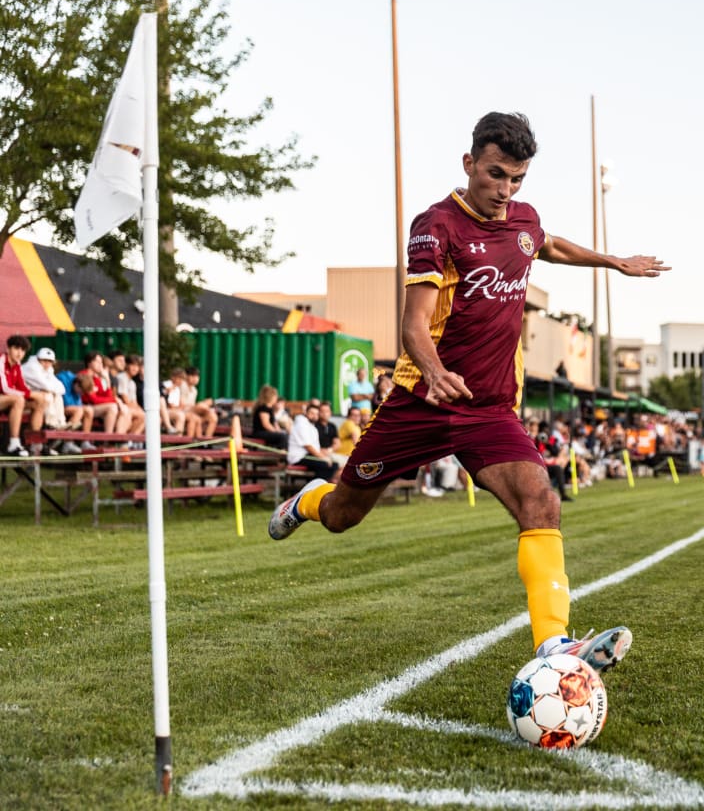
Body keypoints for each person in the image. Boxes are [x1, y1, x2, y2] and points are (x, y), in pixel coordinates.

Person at [268, 111, 668, 671]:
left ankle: (555, 646)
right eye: (496, 175)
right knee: (343, 515)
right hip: (420, 403)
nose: (506, 191)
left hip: (489, 409)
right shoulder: (437, 226)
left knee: (542, 501)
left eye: (517, 179)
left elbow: (546, 245)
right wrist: (432, 371)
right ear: (469, 163)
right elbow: (413, 324)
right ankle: (308, 499)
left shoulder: (523, 218)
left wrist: (613, 262)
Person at [1, 335, 48, 456]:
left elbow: (22, 386)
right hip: (4, 398)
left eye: (22, 350)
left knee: (39, 402)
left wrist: (36, 396)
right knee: (19, 400)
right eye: (16, 348)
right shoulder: (1, 361)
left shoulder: (17, 366)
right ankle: (13, 444)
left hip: (7, 401)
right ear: (9, 349)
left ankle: (35, 444)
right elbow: (4, 388)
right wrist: (31, 393)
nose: (19, 353)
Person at [286, 403, 339, 482]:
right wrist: (323, 457)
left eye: (316, 414)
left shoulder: (311, 426)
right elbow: (308, 446)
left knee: (334, 465)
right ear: (306, 413)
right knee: (325, 465)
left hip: (308, 456)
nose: (314, 416)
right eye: (311, 413)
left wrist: (324, 456)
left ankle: (316, 486)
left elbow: (315, 447)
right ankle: (314, 488)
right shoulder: (301, 424)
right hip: (298, 458)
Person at [251, 384, 288, 450]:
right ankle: (278, 454)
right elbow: (266, 424)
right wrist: (275, 431)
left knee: (285, 435)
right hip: (260, 433)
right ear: (271, 397)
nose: (276, 399)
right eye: (275, 396)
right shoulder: (263, 408)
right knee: (282, 437)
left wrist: (279, 430)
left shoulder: (270, 409)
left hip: (267, 432)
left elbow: (274, 423)